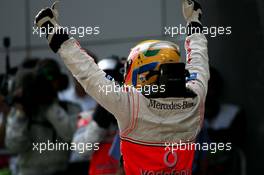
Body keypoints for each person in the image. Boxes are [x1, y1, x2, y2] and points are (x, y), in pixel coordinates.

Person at [34, 0, 209, 174]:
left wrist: (53, 31)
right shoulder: (195, 99)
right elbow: (199, 63)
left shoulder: (130, 104)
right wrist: (194, 21)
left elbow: (88, 74)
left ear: (143, 71)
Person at [5, 58, 80, 175]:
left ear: (60, 81)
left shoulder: (69, 109)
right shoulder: (23, 109)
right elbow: (14, 146)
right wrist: (22, 114)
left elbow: (72, 137)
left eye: (52, 78)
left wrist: (50, 106)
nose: (47, 83)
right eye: (42, 80)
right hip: (29, 171)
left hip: (61, 170)